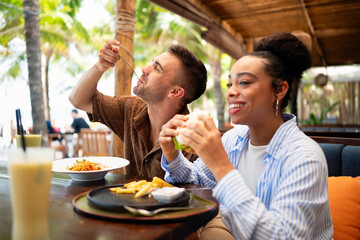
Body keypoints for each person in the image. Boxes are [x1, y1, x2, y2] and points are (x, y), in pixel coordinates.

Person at [159, 32, 333, 239]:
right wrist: (171, 154)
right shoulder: (235, 138)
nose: (231, 92)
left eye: (245, 82)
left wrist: (220, 163)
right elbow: (195, 178)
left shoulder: (305, 156)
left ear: (279, 90)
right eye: (230, 84)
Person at [68, 40, 207, 179]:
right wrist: (100, 66)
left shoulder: (192, 141)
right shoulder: (131, 108)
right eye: (152, 62)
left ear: (175, 92)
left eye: (157, 68)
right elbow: (78, 100)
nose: (145, 69)